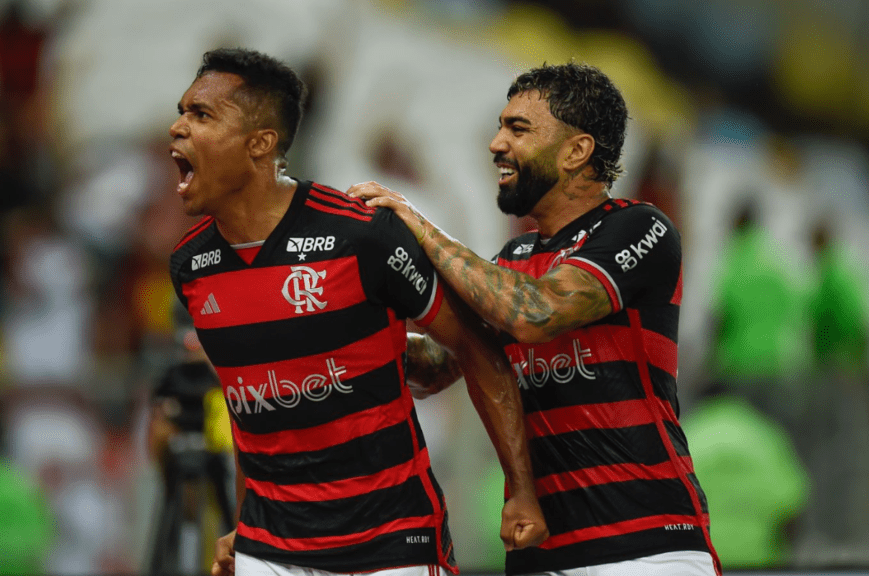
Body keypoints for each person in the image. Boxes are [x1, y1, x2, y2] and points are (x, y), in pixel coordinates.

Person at [166, 48, 547, 576]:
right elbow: (247, 409)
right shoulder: (191, 266)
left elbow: (473, 344)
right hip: (270, 548)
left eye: (201, 115)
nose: (177, 127)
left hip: (388, 544)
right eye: (182, 112)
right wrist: (244, 524)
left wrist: (521, 489)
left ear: (260, 143)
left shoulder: (362, 233)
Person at [349, 62, 721, 576]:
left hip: (646, 544)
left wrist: (418, 225)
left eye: (518, 129)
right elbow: (437, 365)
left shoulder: (640, 228)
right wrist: (335, 336)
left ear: (576, 151)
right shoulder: (513, 260)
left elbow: (536, 312)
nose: (496, 144)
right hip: (540, 548)